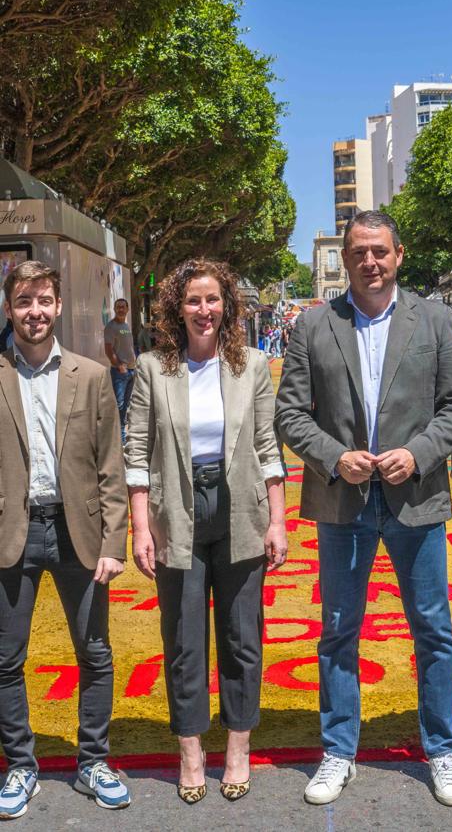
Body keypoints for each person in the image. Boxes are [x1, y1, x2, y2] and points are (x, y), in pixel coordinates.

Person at [275, 211, 452, 808]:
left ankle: (442, 750)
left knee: (433, 630)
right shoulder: (312, 325)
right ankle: (339, 751)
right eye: (358, 251)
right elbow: (290, 414)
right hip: (343, 501)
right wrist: (335, 458)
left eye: (379, 251)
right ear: (345, 258)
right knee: (339, 630)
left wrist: (417, 455)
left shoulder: (436, 321)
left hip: (416, 497)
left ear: (398, 254)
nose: (369, 262)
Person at [125, 258, 287, 805]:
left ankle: (237, 748)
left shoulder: (253, 366)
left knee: (243, 639)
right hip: (178, 512)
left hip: (241, 512)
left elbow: (269, 448)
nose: (204, 310)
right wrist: (142, 525)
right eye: (193, 300)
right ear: (178, 308)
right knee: (184, 641)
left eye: (213, 299)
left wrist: (279, 519)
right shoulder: (152, 368)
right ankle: (191, 751)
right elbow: (138, 454)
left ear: (228, 306)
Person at [0, 261, 130, 819]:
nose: (35, 311)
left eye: (44, 300)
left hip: (79, 532)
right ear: (9, 308)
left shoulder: (91, 375)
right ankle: (21, 767)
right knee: (6, 660)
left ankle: (92, 761)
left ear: (57, 305)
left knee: (95, 654)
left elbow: (112, 466)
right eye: (24, 301)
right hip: (13, 532)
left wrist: (113, 542)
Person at [103, 298, 136, 443]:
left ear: (128, 309)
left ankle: (121, 435)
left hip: (131, 371)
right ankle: (117, 438)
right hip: (120, 372)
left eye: (123, 307)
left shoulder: (125, 326)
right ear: (115, 309)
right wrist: (119, 366)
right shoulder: (111, 327)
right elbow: (108, 350)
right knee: (119, 405)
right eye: (118, 307)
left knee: (126, 405)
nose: (121, 309)